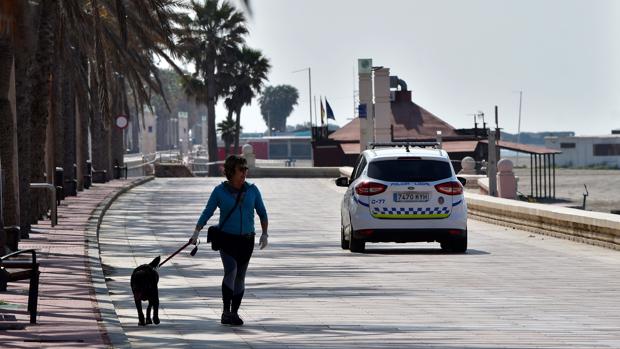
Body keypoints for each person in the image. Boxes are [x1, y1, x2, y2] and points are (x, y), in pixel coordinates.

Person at [190, 155, 268, 326]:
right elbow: (207, 211)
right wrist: (196, 231)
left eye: (246, 169)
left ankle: (234, 312)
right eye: (242, 169)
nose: (245, 173)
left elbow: (262, 212)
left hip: (247, 240)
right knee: (231, 271)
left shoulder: (252, 190)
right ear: (231, 171)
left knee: (240, 276)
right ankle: (226, 311)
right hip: (227, 239)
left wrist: (265, 234)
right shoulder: (219, 191)